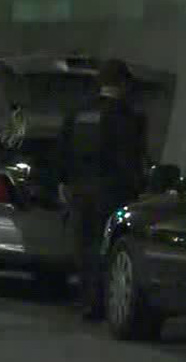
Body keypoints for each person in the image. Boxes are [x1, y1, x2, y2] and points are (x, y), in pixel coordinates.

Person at [63, 59, 150, 321]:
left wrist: (65, 184)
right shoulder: (126, 116)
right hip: (111, 192)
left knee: (84, 247)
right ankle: (101, 303)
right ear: (123, 84)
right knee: (107, 249)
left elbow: (62, 152)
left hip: (80, 191)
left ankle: (86, 300)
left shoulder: (79, 113)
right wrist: (138, 188)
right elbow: (129, 159)